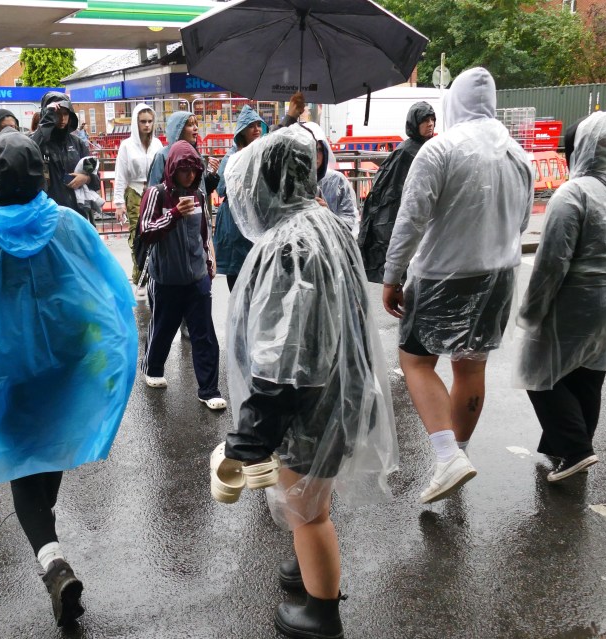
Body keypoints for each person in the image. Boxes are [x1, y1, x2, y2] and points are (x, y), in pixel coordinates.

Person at [0, 131, 137, 627]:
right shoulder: (70, 225)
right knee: (45, 458)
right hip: (61, 369)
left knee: (23, 465)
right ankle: (49, 545)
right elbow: (113, 292)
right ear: (41, 172)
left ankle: (52, 560)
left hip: (0, 375)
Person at [213, 125, 398, 639]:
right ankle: (310, 561)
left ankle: (321, 610)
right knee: (317, 494)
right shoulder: (327, 223)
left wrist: (250, 434)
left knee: (309, 513)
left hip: (309, 405)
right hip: (344, 392)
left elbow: (280, 362)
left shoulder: (285, 247)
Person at [382, 67, 533, 504]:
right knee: (471, 366)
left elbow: (410, 221)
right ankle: (457, 454)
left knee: (416, 362)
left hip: (441, 275)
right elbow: (522, 223)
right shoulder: (518, 155)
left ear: (453, 103)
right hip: (498, 275)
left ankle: (448, 457)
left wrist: (393, 277)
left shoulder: (439, 151)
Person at [515, 112, 606, 482]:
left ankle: (576, 450)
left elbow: (552, 262)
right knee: (587, 377)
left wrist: (532, 311)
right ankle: (567, 448)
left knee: (538, 373)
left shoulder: (573, 194)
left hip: (579, 304)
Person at [138, 140, 226, 411]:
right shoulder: (157, 194)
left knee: (204, 335)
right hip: (166, 278)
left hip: (197, 278)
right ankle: (152, 368)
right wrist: (174, 214)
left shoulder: (199, 196)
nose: (189, 175)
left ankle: (209, 389)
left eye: (193, 170)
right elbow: (146, 230)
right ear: (172, 169)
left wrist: (209, 263)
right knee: (164, 328)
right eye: (183, 170)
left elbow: (203, 234)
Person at [358, 102, 436, 283]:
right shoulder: (405, 152)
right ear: (414, 123)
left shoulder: (428, 148)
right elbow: (389, 194)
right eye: (425, 120)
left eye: (432, 119)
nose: (430, 123)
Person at [213, 104, 267, 292]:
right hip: (233, 223)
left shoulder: (260, 154)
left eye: (258, 125)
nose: (257, 129)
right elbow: (221, 189)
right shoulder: (231, 157)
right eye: (251, 125)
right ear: (242, 130)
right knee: (236, 276)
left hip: (254, 219)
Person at [113, 102, 163, 287]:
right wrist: (119, 202)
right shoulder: (126, 146)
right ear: (136, 122)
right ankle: (139, 275)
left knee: (156, 232)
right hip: (134, 192)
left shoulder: (157, 144)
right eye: (143, 121)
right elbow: (121, 174)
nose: (147, 125)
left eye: (150, 121)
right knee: (137, 235)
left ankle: (154, 274)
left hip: (154, 191)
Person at [30, 92, 98, 222]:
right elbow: (31, 151)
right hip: (49, 213)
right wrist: (46, 123)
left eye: (65, 114)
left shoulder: (78, 143)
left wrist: (86, 178)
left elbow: (95, 177)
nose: (62, 119)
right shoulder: (39, 142)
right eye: (57, 113)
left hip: (77, 213)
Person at [301, 121, 359, 236]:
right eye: (310, 148)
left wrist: (327, 215)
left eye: (319, 150)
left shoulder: (337, 181)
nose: (315, 155)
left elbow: (349, 222)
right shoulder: (291, 182)